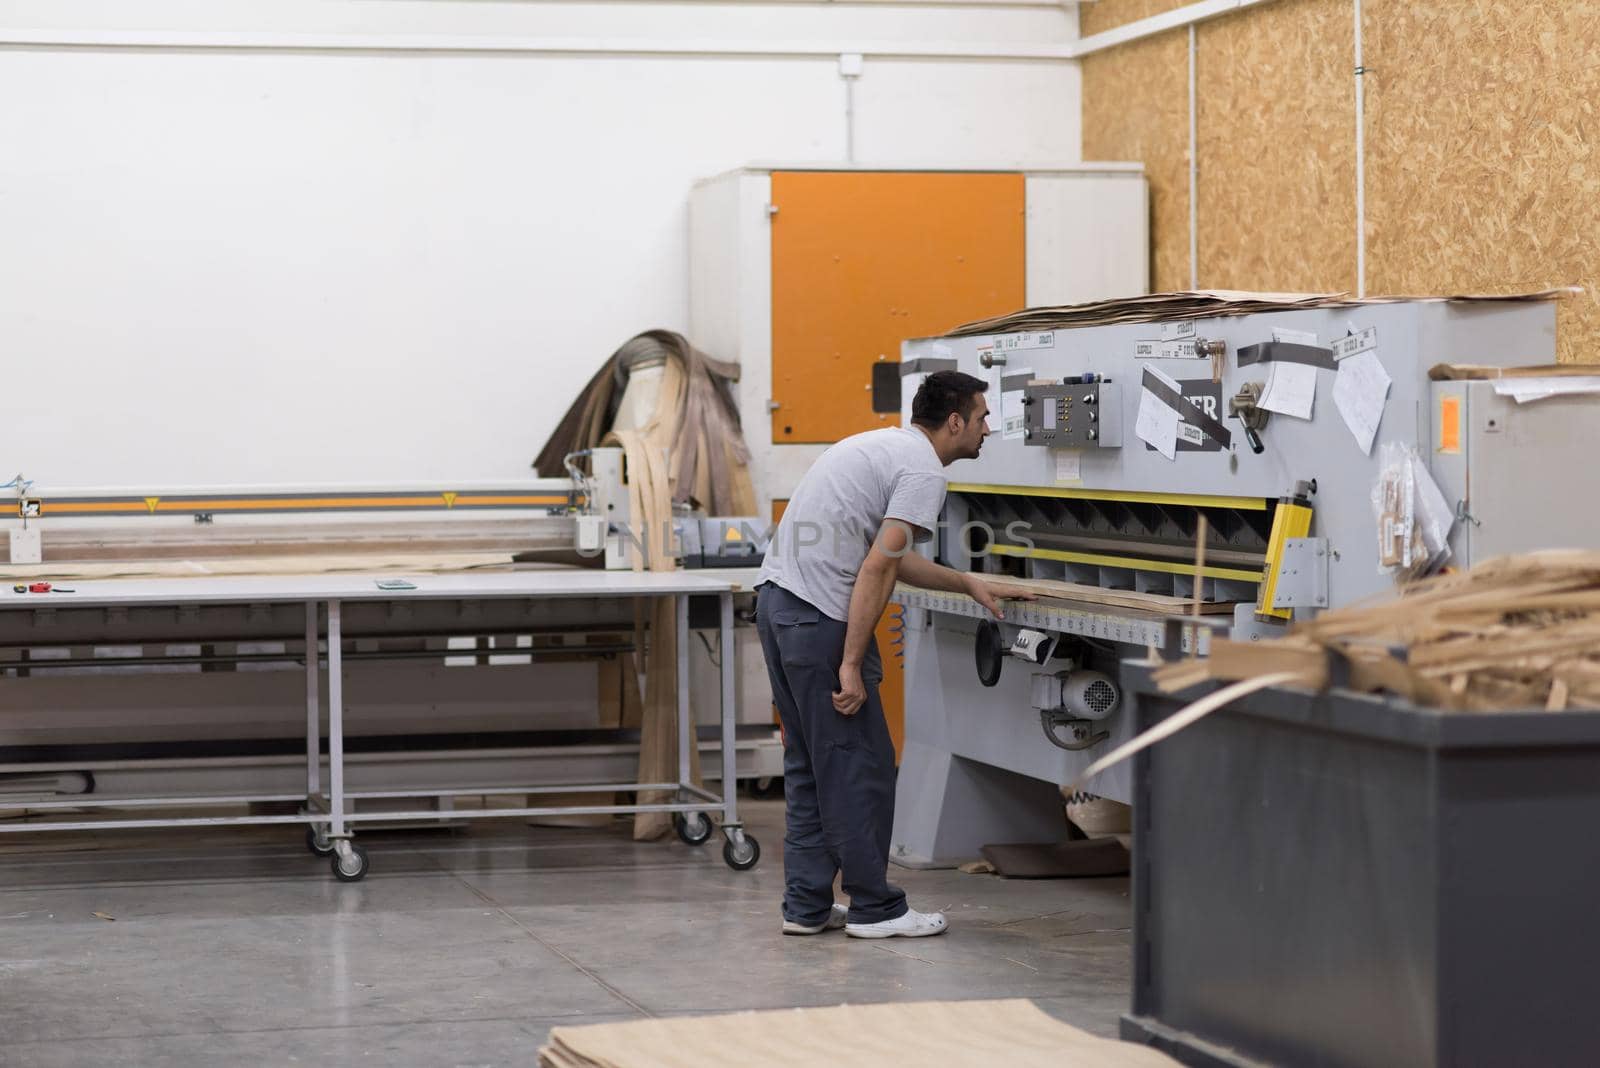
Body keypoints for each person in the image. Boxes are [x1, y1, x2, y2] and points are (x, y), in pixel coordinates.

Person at [754, 370, 1033, 939]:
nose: (988, 428)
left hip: (779, 606)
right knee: (861, 766)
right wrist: (851, 664)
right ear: (954, 422)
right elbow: (879, 567)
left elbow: (889, 554)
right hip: (819, 621)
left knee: (810, 764)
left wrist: (966, 582)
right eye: (982, 418)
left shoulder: (880, 446)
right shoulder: (923, 471)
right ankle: (874, 909)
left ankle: (805, 907)